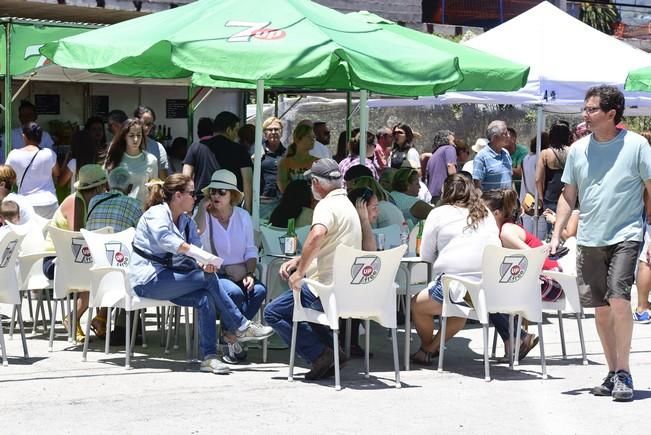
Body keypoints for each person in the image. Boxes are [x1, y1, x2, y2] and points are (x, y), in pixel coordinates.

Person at [550, 85, 651, 402]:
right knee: (602, 310)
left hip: (627, 234)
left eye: (592, 109)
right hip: (589, 238)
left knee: (620, 300)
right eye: (585, 108)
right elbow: (569, 194)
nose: (585, 114)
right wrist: (557, 234)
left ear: (611, 113)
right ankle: (612, 371)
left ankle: (624, 373)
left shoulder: (637, 146)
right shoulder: (578, 150)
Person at [129, 173, 273, 374]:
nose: (196, 198)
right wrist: (202, 259)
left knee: (205, 297)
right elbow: (168, 241)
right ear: (178, 196)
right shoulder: (157, 214)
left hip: (171, 279)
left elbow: (197, 251)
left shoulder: (186, 221)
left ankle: (209, 357)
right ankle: (240, 326)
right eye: (192, 193)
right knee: (208, 280)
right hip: (148, 280)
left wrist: (205, 263)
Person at [264, 159, 361, 381]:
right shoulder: (347, 205)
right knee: (302, 308)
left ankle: (320, 355)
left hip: (325, 287)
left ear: (316, 182)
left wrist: (299, 273)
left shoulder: (326, 205)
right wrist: (301, 260)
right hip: (345, 286)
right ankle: (333, 352)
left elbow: (317, 235)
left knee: (273, 312)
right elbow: (331, 243)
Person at [410, 174, 502, 364]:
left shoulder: (438, 213)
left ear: (446, 191)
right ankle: (430, 349)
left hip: (453, 286)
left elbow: (426, 256)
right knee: (458, 308)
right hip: (486, 288)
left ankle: (428, 348)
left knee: (416, 306)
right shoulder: (486, 212)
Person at [197, 169, 267, 362]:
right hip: (215, 273)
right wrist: (202, 209)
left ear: (232, 195)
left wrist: (250, 273)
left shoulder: (243, 216)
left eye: (222, 192)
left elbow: (251, 249)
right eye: (213, 191)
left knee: (259, 290)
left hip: (242, 271)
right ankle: (233, 338)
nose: (216, 195)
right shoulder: (204, 216)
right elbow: (197, 238)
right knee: (235, 293)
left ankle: (230, 334)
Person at [42, 164, 108, 342]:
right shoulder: (76, 201)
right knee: (98, 272)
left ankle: (100, 318)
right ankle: (74, 318)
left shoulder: (90, 201)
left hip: (73, 256)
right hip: (55, 260)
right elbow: (76, 238)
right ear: (99, 187)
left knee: (108, 271)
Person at [85, 166, 143, 338]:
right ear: (130, 188)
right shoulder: (134, 204)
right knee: (136, 264)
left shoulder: (94, 201)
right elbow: (142, 237)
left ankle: (103, 318)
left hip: (93, 265)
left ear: (108, 186)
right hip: (119, 268)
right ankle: (125, 329)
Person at [185, 111, 253, 212]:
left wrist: (187, 208)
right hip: (229, 206)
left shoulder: (196, 147)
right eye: (236, 131)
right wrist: (248, 210)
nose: (237, 135)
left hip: (202, 205)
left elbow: (185, 178)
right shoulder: (240, 150)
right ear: (229, 130)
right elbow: (247, 182)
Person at [6, 122, 60, 218]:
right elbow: (57, 173)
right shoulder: (49, 154)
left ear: (24, 136)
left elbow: (7, 177)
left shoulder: (13, 155)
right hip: (49, 203)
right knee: (48, 232)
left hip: (26, 204)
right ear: (40, 137)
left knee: (28, 232)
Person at [104, 118, 158, 207]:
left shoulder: (151, 160)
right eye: (131, 135)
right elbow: (106, 188)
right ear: (124, 136)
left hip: (141, 214)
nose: (136, 139)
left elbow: (154, 190)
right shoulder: (114, 158)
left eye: (139, 135)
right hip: (118, 211)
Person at [59, 117, 108, 188]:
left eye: (100, 129)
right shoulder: (75, 162)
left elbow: (60, 183)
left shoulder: (105, 154)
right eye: (94, 129)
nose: (98, 132)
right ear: (88, 132)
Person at [181, 117, 220, 203]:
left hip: (201, 196)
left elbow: (186, 175)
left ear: (198, 132)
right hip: (220, 194)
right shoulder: (221, 146)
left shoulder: (195, 147)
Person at [536, 122, 571, 212]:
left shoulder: (545, 153)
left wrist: (540, 198)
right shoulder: (573, 151)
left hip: (550, 197)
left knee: (551, 224)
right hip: (569, 196)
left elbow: (538, 179)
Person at [277, 124, 317, 194]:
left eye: (313, 137)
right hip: (292, 202)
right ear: (297, 139)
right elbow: (283, 188)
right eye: (308, 137)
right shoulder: (285, 163)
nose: (312, 140)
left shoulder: (318, 162)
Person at [473, 121, 512, 191]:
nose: (508, 136)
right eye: (505, 134)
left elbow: (509, 179)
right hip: (490, 201)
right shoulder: (481, 157)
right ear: (495, 137)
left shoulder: (506, 153)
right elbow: (476, 186)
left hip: (508, 201)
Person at [133, 106, 169, 179]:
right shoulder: (123, 145)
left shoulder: (158, 148)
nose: (146, 128)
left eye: (149, 124)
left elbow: (163, 179)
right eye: (143, 123)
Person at [426, 129, 457, 202]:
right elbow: (451, 167)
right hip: (444, 193)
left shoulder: (434, 154)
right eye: (453, 141)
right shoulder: (449, 148)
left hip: (432, 194)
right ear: (447, 139)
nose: (455, 144)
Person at [260, 117, 286, 200]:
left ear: (281, 132)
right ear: (265, 133)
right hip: (262, 200)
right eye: (270, 130)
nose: (273, 132)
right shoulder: (257, 153)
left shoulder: (288, 154)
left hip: (282, 200)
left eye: (276, 129)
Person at [505, 128, 528, 195]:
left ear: (514, 139)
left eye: (506, 136)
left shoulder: (522, 151)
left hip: (522, 188)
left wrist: (502, 168)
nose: (503, 139)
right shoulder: (500, 151)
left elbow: (519, 171)